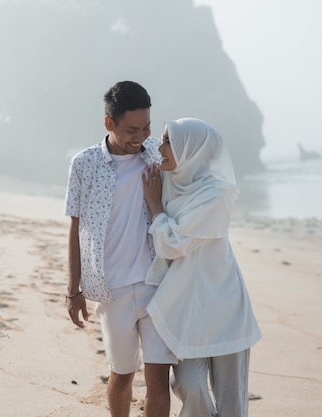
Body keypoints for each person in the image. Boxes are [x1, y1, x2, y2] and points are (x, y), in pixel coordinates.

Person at [65, 80, 176, 417]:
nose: (140, 137)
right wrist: (73, 290)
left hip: (159, 284)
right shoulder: (84, 164)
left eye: (146, 128)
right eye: (131, 129)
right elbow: (75, 227)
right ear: (109, 123)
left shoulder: (160, 154)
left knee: (158, 377)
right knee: (122, 374)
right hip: (111, 290)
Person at [141, 118, 262, 417]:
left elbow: (172, 244)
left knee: (232, 401)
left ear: (190, 149)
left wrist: (156, 207)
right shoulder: (167, 181)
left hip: (224, 306)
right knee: (189, 384)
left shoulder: (217, 195)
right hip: (185, 306)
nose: (161, 146)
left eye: (169, 141)